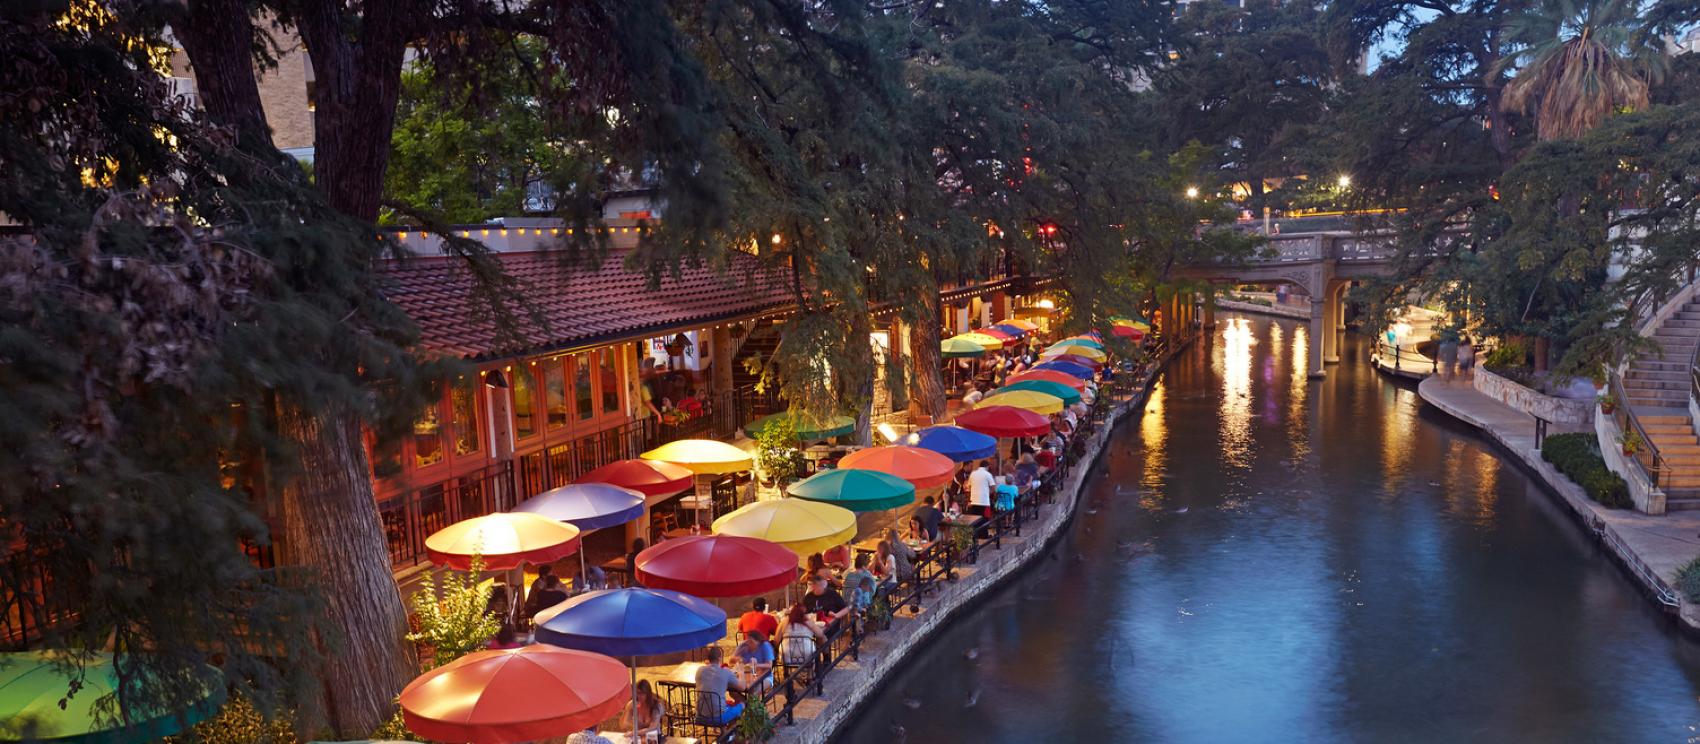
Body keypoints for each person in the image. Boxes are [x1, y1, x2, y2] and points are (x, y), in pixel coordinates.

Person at [694, 645, 746, 726]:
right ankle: (732, 734)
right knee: (742, 703)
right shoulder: (725, 672)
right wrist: (741, 671)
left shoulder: (699, 670)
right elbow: (743, 687)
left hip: (699, 715)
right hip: (718, 717)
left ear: (709, 659)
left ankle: (727, 734)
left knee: (726, 704)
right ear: (720, 658)